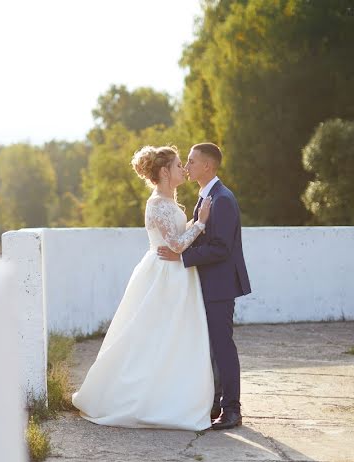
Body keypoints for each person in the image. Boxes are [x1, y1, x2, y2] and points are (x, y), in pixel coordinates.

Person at [72, 145, 214, 431]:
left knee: (173, 338)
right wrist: (199, 224)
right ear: (164, 172)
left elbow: (175, 235)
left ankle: (171, 397)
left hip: (176, 274)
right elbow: (175, 245)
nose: (183, 170)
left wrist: (192, 224)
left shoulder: (168, 202)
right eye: (177, 166)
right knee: (151, 336)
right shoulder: (157, 204)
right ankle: (139, 399)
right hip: (162, 276)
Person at [157, 143, 251, 430]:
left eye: (192, 161)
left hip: (220, 284)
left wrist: (181, 256)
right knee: (211, 346)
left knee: (222, 346)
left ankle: (232, 410)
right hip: (208, 282)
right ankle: (215, 403)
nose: (187, 166)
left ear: (207, 166)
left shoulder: (221, 199)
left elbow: (221, 248)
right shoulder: (207, 197)